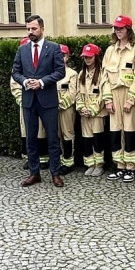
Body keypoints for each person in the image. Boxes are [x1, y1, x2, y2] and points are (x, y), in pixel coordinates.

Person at [12, 15, 66, 187]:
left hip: (47, 100)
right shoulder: (22, 50)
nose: (30, 32)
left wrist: (42, 82)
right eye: (28, 29)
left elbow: (60, 72)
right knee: (31, 139)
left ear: (42, 29)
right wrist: (25, 81)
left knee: (52, 138)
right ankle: (34, 173)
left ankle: (55, 173)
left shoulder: (54, 48)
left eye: (34, 29)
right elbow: (16, 72)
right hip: (29, 100)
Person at [101, 15, 135, 182]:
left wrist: (131, 99)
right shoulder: (109, 51)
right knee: (115, 132)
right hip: (113, 94)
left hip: (128, 94)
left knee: (129, 131)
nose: (118, 31)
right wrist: (107, 99)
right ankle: (118, 165)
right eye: (116, 28)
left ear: (129, 30)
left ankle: (130, 167)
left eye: (121, 28)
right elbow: (104, 77)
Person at [10, 37, 46, 170]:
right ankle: (29, 159)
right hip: (25, 104)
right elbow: (14, 86)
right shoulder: (18, 68)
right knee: (26, 131)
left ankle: (42, 158)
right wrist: (22, 100)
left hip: (40, 101)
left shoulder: (39, 63)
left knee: (41, 131)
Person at [76, 43, 109, 177]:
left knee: (98, 139)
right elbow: (78, 93)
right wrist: (81, 108)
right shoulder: (81, 74)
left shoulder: (102, 73)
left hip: (97, 114)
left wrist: (92, 109)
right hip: (85, 115)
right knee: (87, 140)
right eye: (85, 57)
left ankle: (99, 165)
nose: (87, 59)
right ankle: (90, 164)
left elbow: (102, 95)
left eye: (90, 57)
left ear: (96, 57)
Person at [56, 44, 78, 174]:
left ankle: (68, 162)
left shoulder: (72, 74)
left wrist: (62, 103)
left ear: (67, 56)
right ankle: (58, 160)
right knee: (56, 135)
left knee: (67, 134)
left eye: (63, 55)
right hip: (53, 109)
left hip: (66, 108)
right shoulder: (51, 71)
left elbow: (72, 92)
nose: (61, 57)